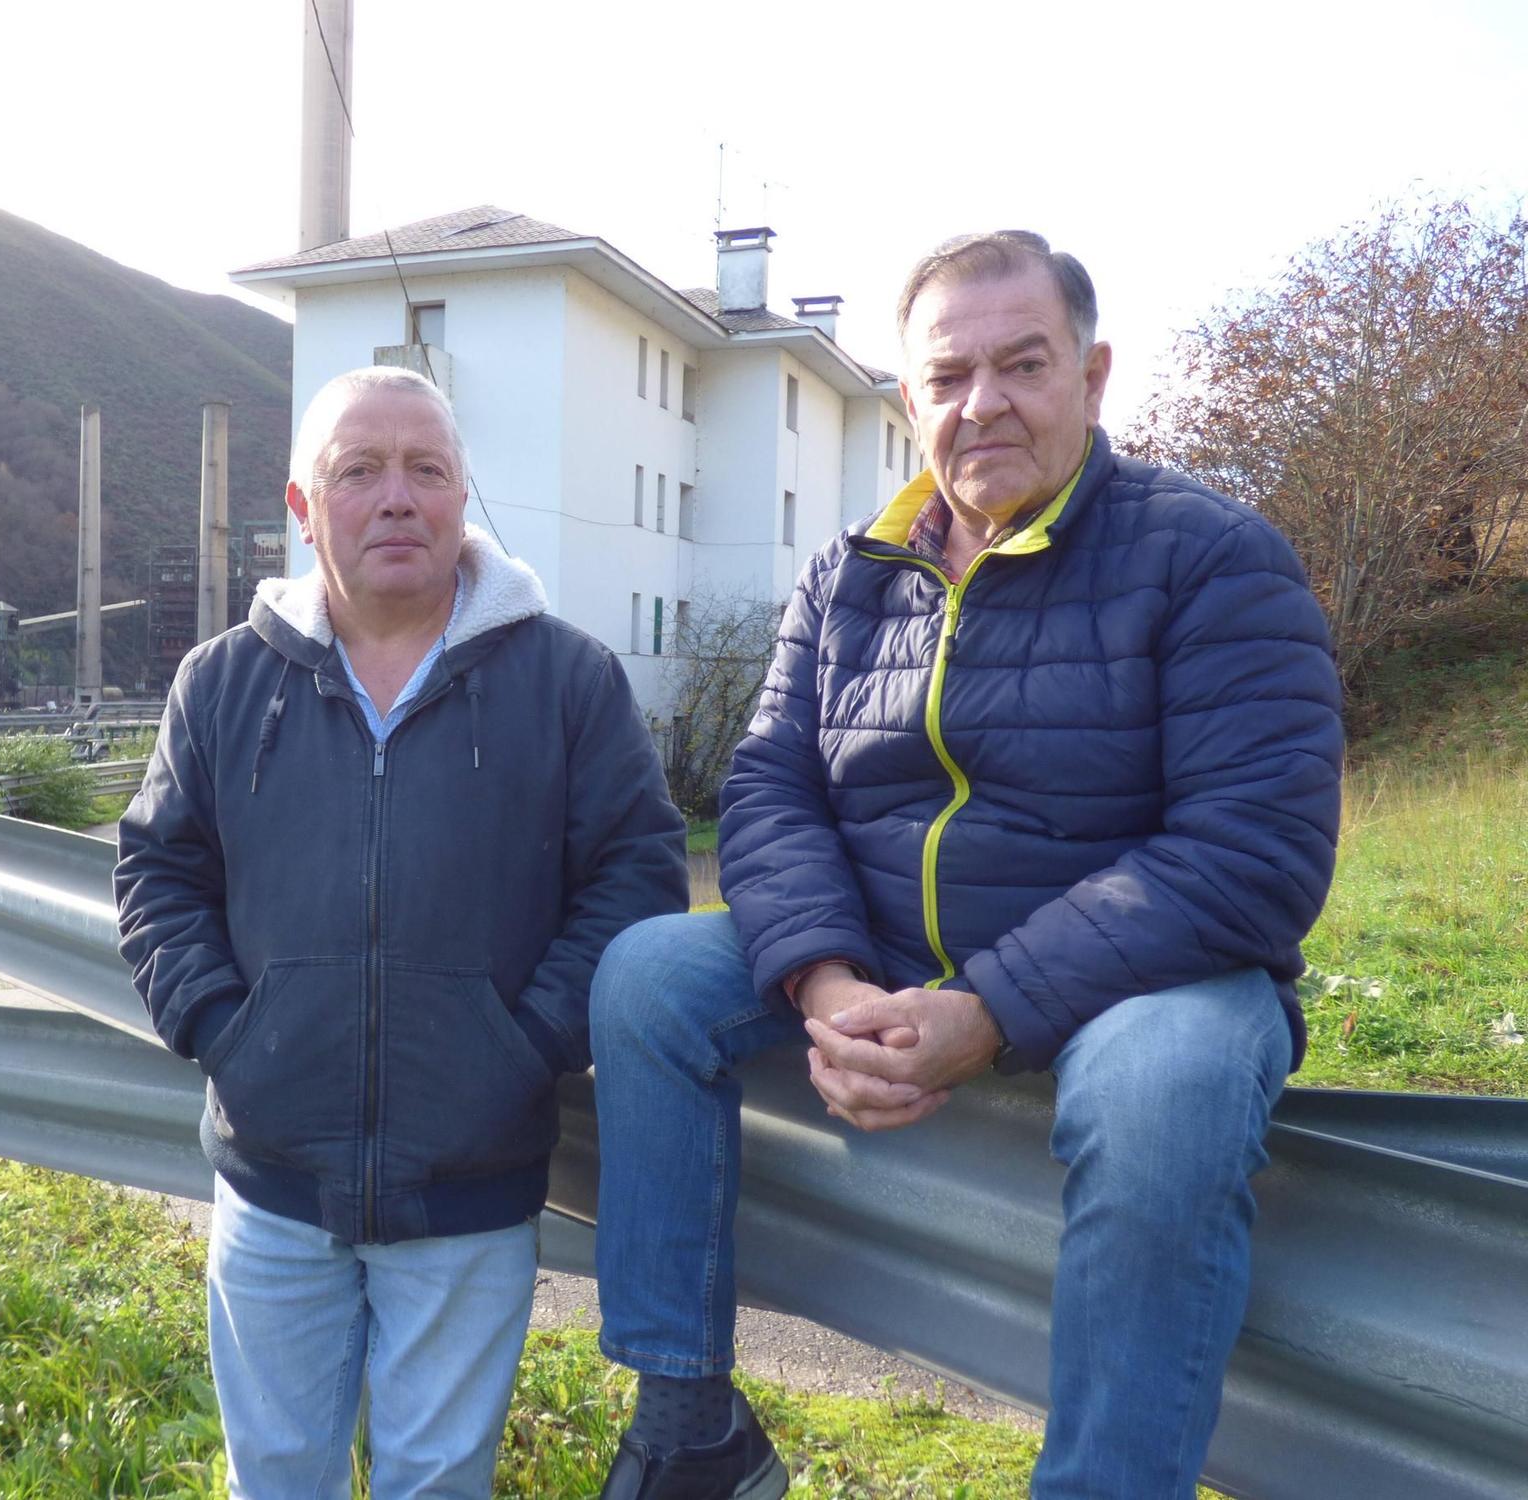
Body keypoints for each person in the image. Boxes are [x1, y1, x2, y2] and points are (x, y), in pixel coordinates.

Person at [588, 232, 1344, 1500]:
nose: (980, 402)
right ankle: (687, 1427)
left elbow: (1252, 850)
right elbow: (767, 785)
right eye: (946, 377)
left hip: (1148, 981)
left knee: (1162, 1094)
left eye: (1021, 365)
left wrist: (987, 1010)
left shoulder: (1209, 556)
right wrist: (826, 985)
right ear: (907, 402)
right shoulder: (846, 573)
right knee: (649, 975)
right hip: (877, 950)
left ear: (1092, 377)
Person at [115, 366, 686, 1500]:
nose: (395, 497)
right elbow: (158, 872)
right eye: (358, 470)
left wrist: (518, 1046)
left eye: (426, 469)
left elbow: (634, 876)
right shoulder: (222, 681)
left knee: (437, 1484)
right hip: (272, 1180)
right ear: (301, 506)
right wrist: (232, 1033)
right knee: (276, 1479)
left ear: (462, 495)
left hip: (467, 1185)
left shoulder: (569, 682)